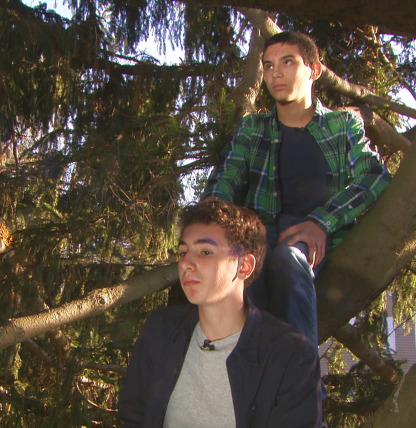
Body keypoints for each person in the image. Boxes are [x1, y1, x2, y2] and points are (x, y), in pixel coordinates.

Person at [201, 31, 392, 348]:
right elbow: (227, 176)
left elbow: (373, 175)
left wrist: (322, 222)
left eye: (287, 62)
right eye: (268, 65)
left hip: (314, 239)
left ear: (314, 70)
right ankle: (249, 372)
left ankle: (302, 383)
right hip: (260, 231)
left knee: (289, 259)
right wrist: (213, 225)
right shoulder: (253, 127)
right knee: (244, 262)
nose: (275, 73)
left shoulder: (342, 125)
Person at [118, 199, 322, 428]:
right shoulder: (160, 330)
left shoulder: (291, 355)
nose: (186, 263)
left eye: (205, 251)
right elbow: (133, 417)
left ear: (244, 266)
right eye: (183, 251)